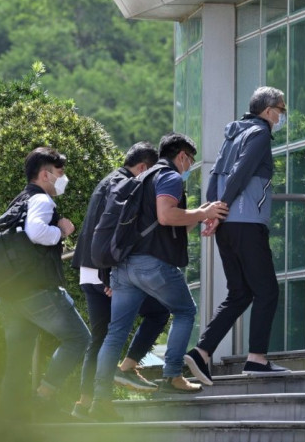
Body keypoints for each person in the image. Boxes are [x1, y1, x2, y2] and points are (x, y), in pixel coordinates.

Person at [89, 133, 229, 421]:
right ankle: (173, 375)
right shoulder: (170, 177)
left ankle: (99, 401)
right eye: (190, 160)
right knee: (185, 311)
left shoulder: (141, 179)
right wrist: (204, 213)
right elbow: (166, 216)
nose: (189, 165)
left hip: (123, 267)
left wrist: (196, 216)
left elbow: (164, 225)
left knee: (115, 333)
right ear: (182, 157)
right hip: (151, 264)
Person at [184, 86, 291, 387]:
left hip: (228, 225)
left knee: (241, 293)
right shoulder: (258, 133)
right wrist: (222, 207)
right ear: (269, 111)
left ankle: (202, 352)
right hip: (246, 222)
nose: (281, 117)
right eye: (280, 111)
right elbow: (241, 172)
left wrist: (211, 212)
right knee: (267, 290)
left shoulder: (233, 134)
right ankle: (257, 359)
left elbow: (216, 174)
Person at [70, 142, 171, 420]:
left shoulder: (108, 181)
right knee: (159, 311)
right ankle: (127, 367)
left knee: (100, 338)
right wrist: (109, 275)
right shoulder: (126, 186)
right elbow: (111, 232)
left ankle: (87, 402)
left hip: (89, 271)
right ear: (143, 168)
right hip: (106, 272)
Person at [0, 147, 91, 421]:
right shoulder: (41, 200)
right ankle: (43, 398)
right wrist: (62, 230)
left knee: (17, 358)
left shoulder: (19, 200)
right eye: (60, 173)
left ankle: (10, 419)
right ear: (45, 174)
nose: (64, 178)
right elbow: (36, 232)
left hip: (12, 292)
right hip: (37, 288)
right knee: (78, 337)